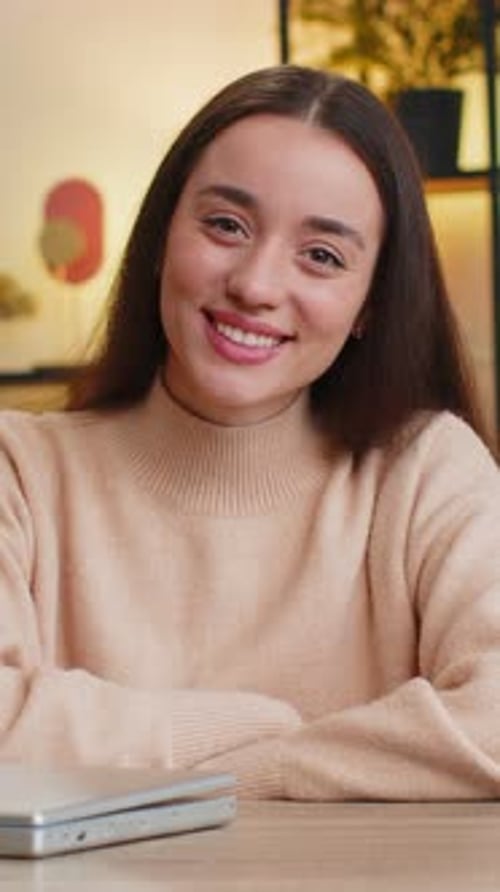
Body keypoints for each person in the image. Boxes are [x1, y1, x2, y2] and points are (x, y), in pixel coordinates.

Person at [1, 65, 499, 801]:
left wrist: (262, 768)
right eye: (226, 225)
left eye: (322, 256)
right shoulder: (21, 469)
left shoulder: (427, 469)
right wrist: (236, 725)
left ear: (369, 304)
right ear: (165, 233)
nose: (258, 285)